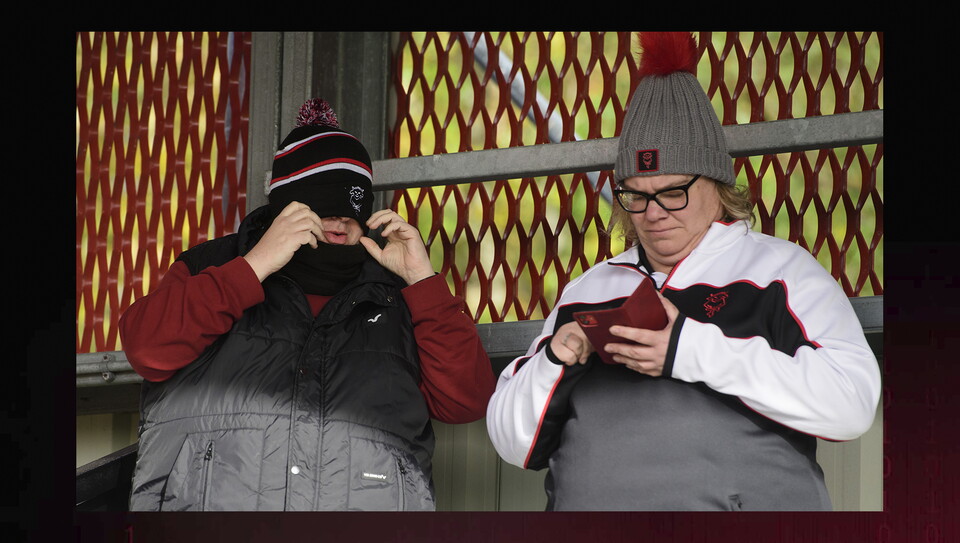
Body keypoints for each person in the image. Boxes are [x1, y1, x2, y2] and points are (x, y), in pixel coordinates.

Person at [485, 32, 881, 511]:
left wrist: (686, 349)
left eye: (674, 191)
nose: (653, 213)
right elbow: (511, 442)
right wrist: (555, 359)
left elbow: (852, 404)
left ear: (716, 182)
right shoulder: (588, 290)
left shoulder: (780, 272)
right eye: (636, 194)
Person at [120, 98, 495, 511]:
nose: (342, 222)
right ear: (286, 208)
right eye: (324, 206)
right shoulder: (213, 266)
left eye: (354, 210)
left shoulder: (396, 295)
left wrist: (422, 282)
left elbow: (466, 401)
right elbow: (146, 348)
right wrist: (256, 264)